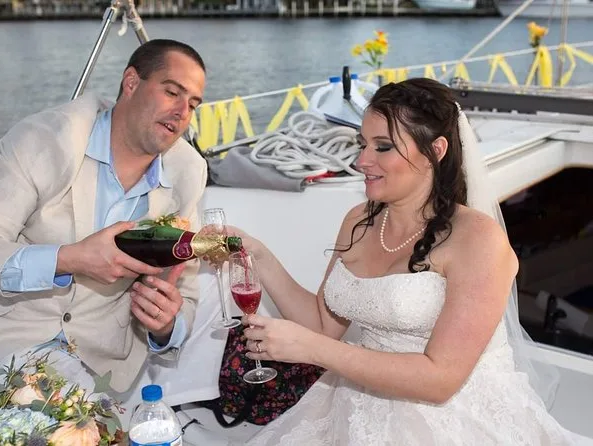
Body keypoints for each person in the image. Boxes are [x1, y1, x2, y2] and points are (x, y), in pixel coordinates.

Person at [229, 78, 581, 444]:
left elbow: (441, 380)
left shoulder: (478, 240)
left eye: (383, 147)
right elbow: (321, 324)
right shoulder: (358, 220)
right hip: (355, 404)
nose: (361, 161)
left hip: (450, 418)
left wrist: (313, 350)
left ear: (436, 150)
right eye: (362, 144)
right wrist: (259, 255)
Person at [0, 39, 208, 394]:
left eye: (193, 104)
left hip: (99, 372)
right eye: (172, 92)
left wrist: (166, 325)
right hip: (3, 352)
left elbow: (185, 290)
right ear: (131, 82)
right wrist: (68, 259)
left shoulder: (188, 171)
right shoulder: (42, 140)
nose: (182, 112)